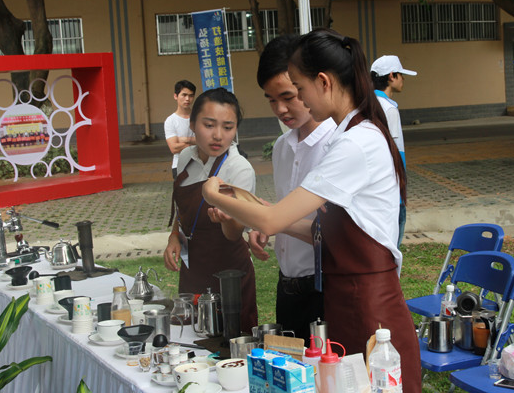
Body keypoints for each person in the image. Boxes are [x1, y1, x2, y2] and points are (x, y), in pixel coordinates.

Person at [202, 29, 421, 391]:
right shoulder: (352, 135)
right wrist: (256, 211)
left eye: (299, 90)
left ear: (323, 82)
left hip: (369, 307)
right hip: (346, 299)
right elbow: (320, 231)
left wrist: (213, 194)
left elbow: (272, 220)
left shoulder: (356, 142)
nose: (297, 100)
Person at [249, 34, 335, 342]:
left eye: (288, 96)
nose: (280, 109)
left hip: (325, 286)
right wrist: (266, 226)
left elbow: (334, 235)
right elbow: (284, 211)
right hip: (287, 285)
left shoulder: (336, 145)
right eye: (271, 100)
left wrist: (271, 219)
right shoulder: (282, 147)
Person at [164, 88, 258, 333]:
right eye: (209, 125)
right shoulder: (186, 156)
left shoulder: (239, 169)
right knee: (189, 337)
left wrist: (227, 220)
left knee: (229, 341)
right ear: (192, 124)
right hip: (192, 268)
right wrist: (174, 235)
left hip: (229, 275)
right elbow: (182, 207)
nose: (218, 136)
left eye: (228, 127)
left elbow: (235, 233)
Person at [370, 55, 417, 248]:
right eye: (400, 75)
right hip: (391, 193)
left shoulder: (368, 104)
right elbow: (395, 153)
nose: (403, 79)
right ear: (391, 76)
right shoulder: (389, 109)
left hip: (375, 191)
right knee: (392, 247)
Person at [165, 80, 197, 179]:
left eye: (191, 96)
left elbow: (206, 141)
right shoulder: (170, 121)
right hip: (179, 166)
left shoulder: (200, 117)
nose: (187, 99)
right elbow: (174, 148)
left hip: (200, 165)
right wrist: (196, 143)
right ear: (176, 96)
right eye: (184, 95)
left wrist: (185, 139)